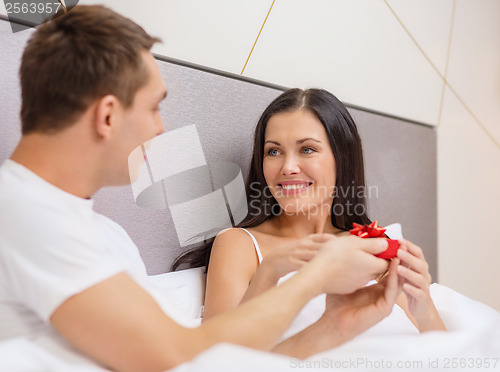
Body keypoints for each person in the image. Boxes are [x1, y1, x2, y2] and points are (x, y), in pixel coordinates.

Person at [0, 6, 403, 371]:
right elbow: (177, 358)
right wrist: (314, 278)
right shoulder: (28, 215)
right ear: (108, 115)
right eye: (155, 106)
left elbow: (196, 358)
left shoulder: (101, 233)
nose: (160, 128)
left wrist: (331, 327)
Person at [178, 88, 445, 336]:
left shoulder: (373, 248)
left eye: (307, 149)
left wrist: (422, 305)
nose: (288, 167)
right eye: (273, 151)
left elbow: (444, 353)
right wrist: (269, 272)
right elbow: (217, 355)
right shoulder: (240, 245)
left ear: (342, 158)